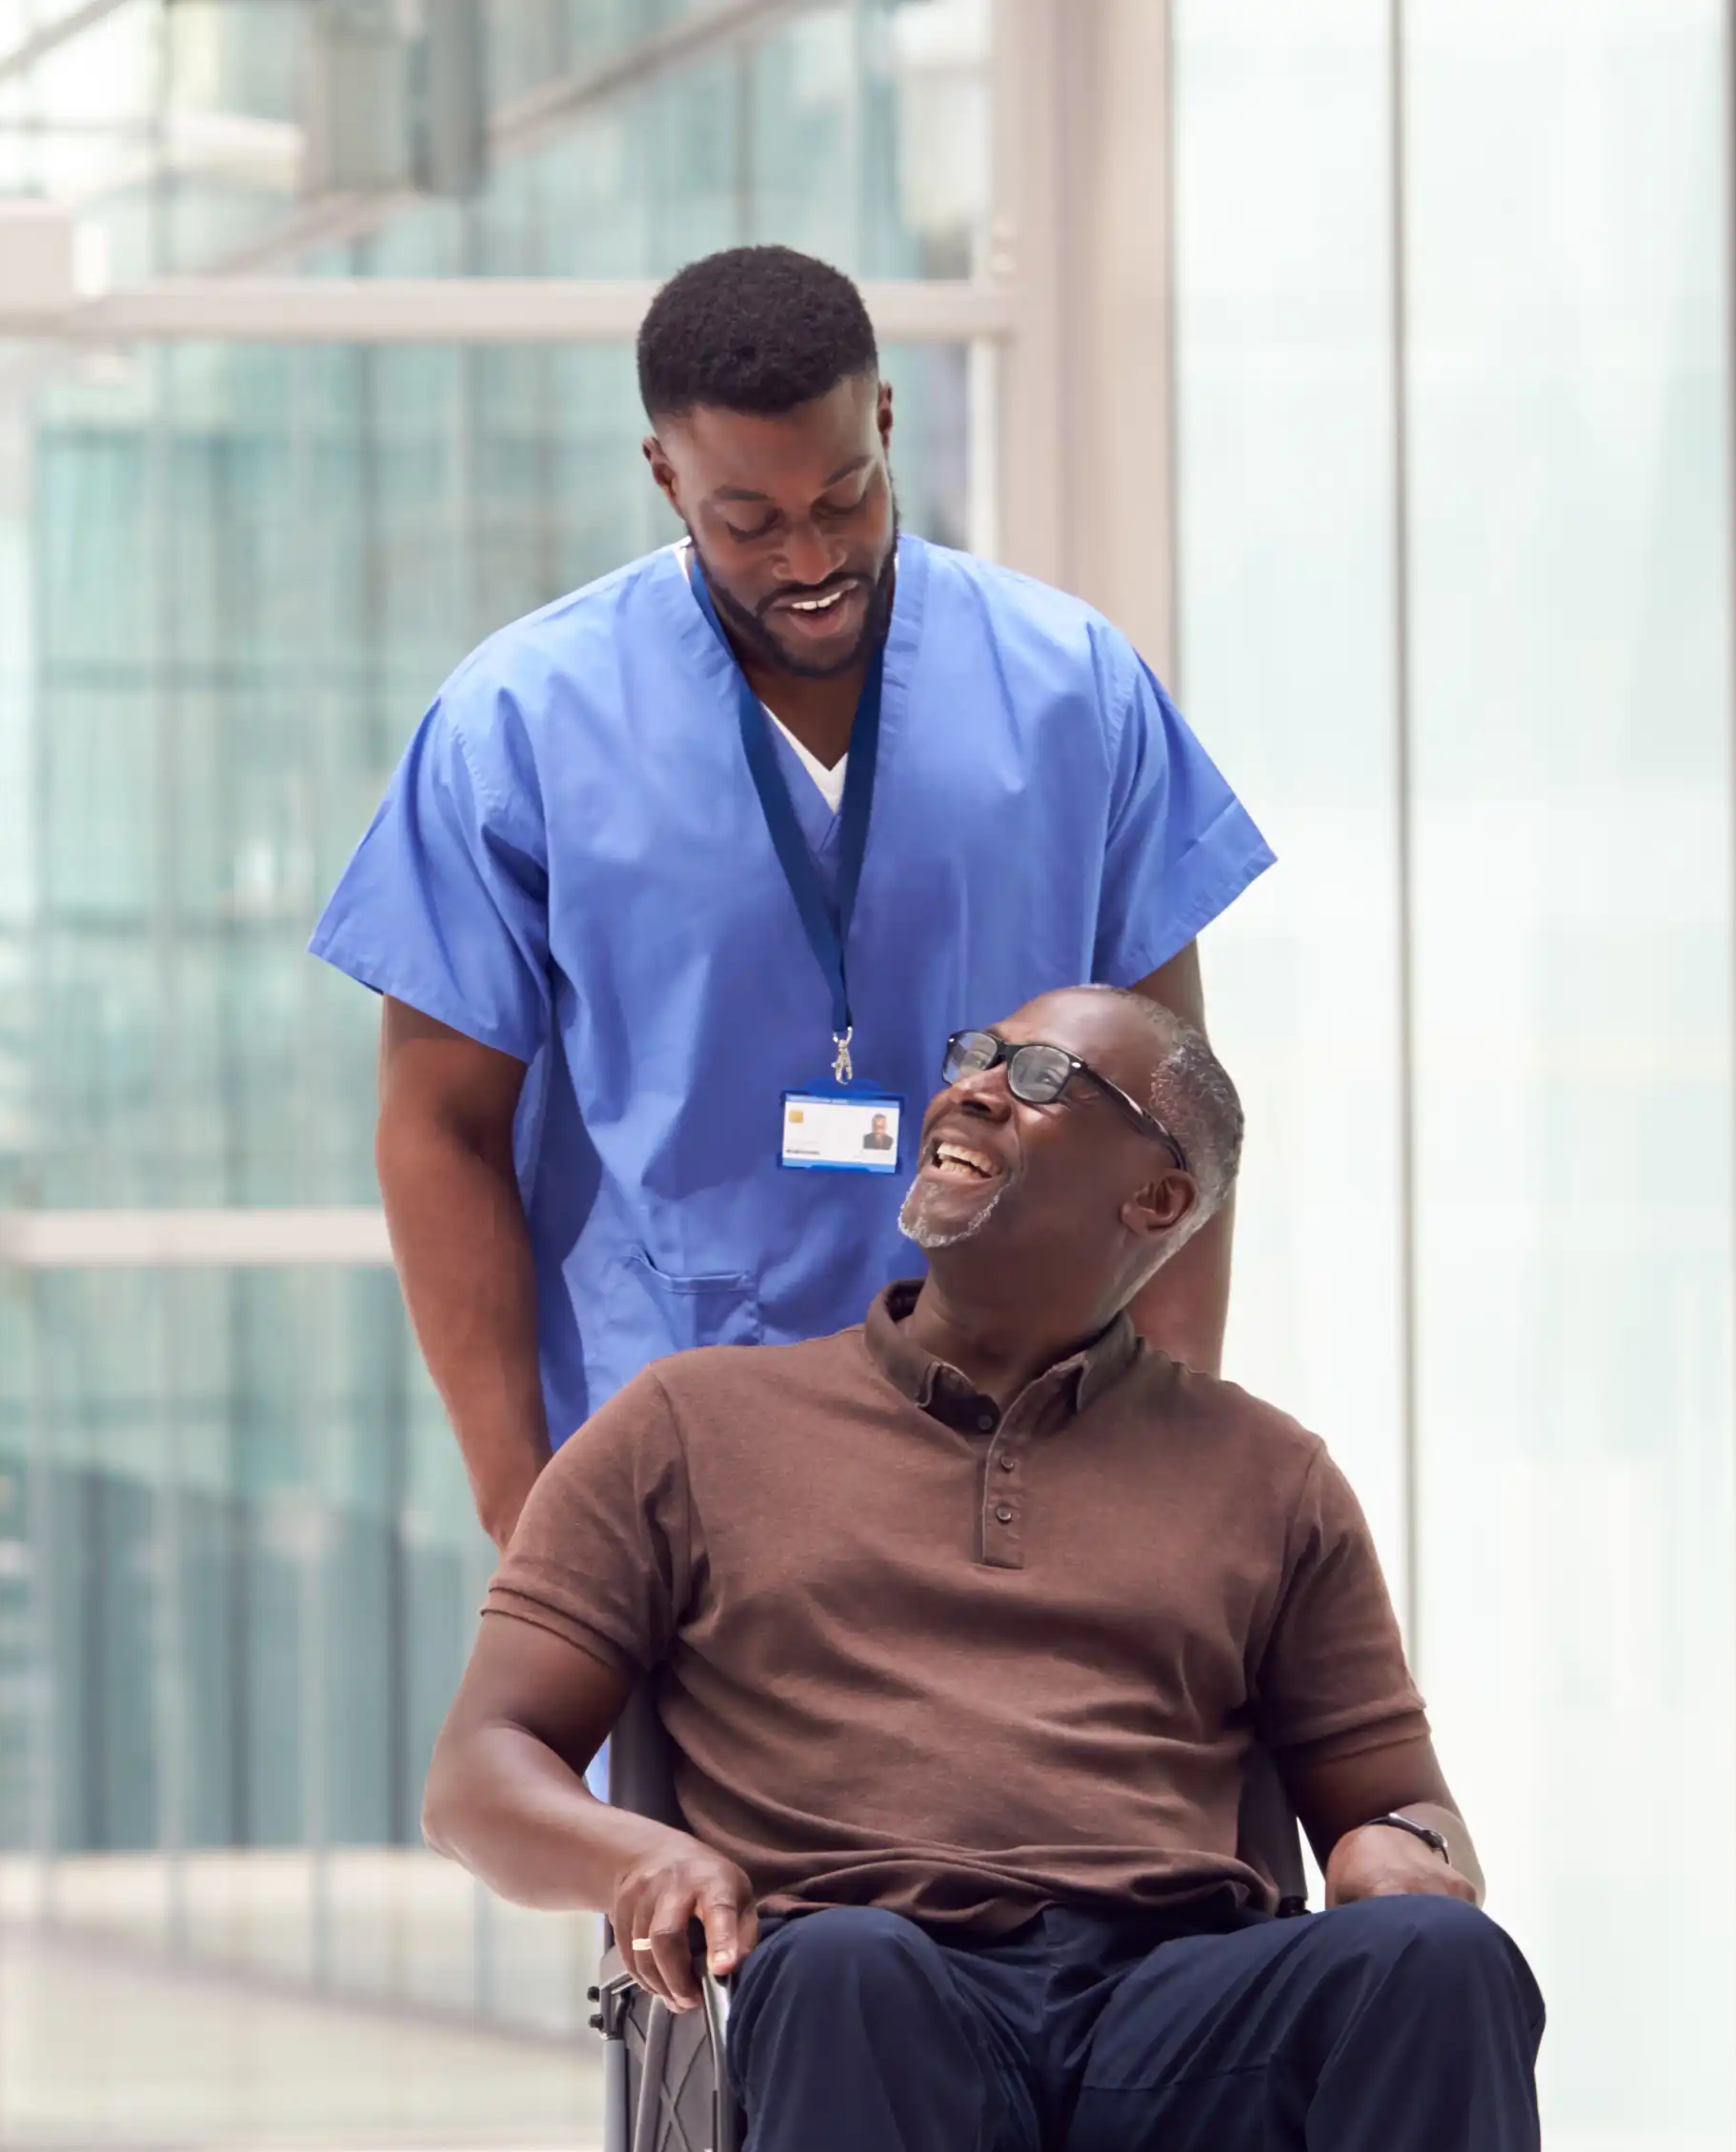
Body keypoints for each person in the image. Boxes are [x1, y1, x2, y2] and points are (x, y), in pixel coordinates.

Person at [417, 983, 1619, 2152]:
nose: (967, 1084)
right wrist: (641, 1860)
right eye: (968, 1055)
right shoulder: (690, 1433)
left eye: (1041, 1079)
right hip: (873, 2023)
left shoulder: (1265, 1477)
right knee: (842, 1966)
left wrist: (1404, 1852)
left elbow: (1394, 1796)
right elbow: (483, 1769)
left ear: (1159, 1203)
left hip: (1168, 2012)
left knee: (1443, 1969)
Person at [326, 247, 1274, 1551]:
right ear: (664, 478)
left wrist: (1164, 1470)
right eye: (748, 521)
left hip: (1021, 1475)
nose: (811, 556)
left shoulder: (1071, 693)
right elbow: (437, 1126)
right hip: (669, 1488)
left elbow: (1174, 1113)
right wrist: (524, 1513)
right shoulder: (519, 727)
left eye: (846, 497)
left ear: (885, 418)